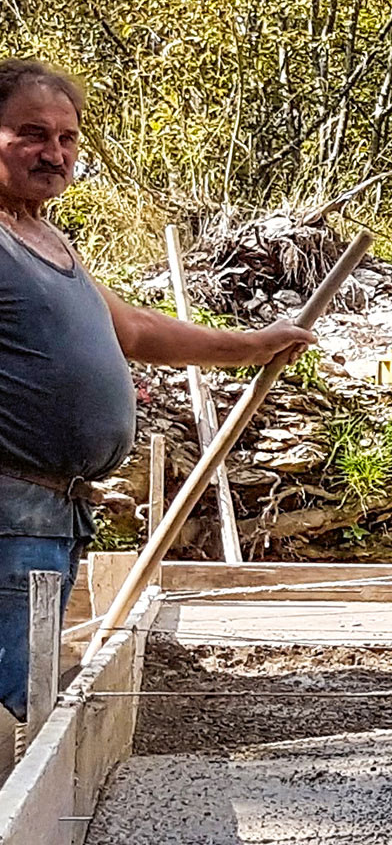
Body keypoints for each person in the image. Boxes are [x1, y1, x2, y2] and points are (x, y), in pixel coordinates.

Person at [0, 61, 313, 721]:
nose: (54, 154)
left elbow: (136, 331)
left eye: (67, 138)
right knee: (14, 701)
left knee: (25, 698)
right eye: (31, 133)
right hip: (8, 508)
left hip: (55, 510)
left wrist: (254, 345)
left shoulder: (50, 240)